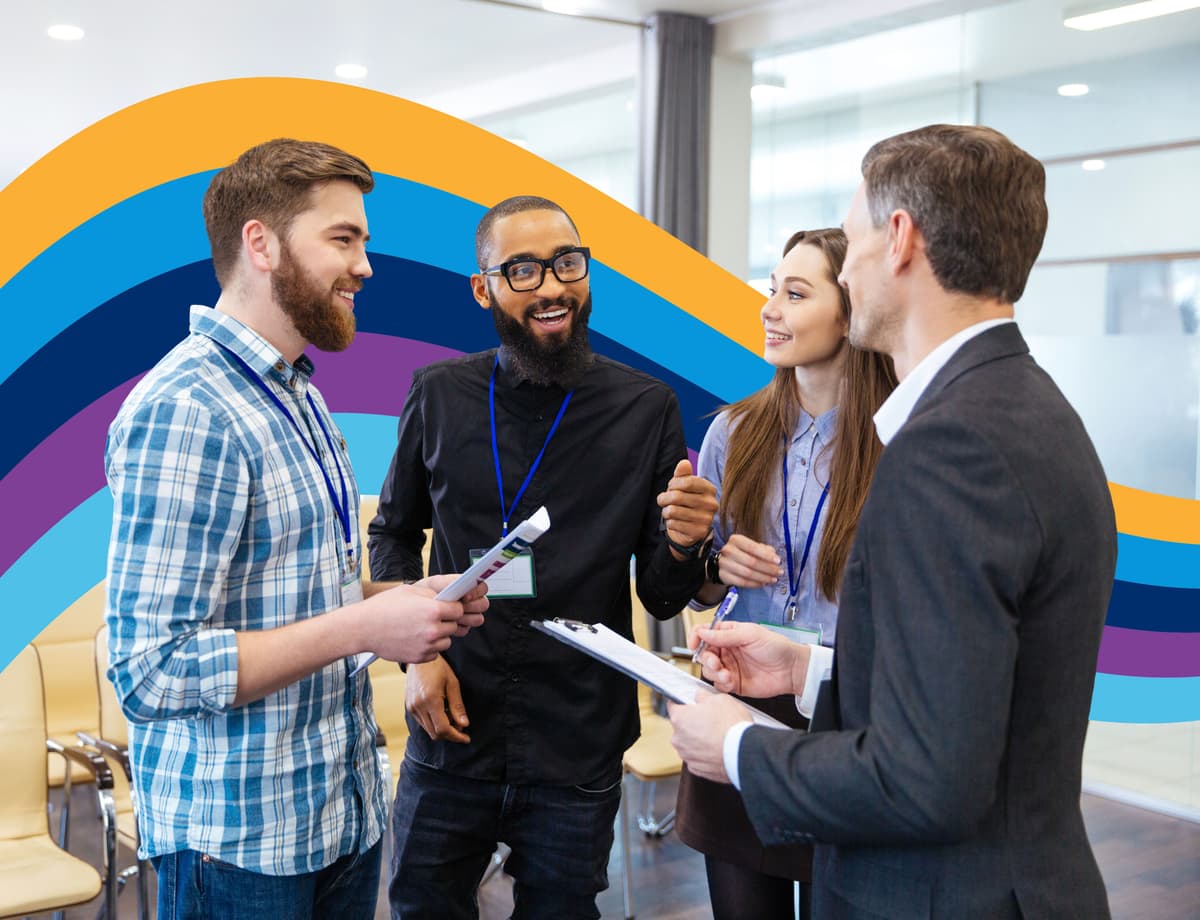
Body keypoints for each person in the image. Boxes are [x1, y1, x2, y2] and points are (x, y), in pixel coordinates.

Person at [669, 124, 1117, 919]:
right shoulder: (1025, 406)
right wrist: (807, 672)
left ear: (901, 239)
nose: (849, 262)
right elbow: (972, 699)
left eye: (853, 239)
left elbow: (927, 779)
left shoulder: (949, 447)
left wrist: (737, 746)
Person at [104, 138, 487, 919]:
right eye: (343, 239)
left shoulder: (297, 393)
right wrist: (362, 625)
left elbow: (298, 592)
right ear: (262, 244)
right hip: (239, 847)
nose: (366, 266)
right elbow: (150, 671)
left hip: (335, 818)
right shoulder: (189, 408)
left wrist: (404, 600)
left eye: (364, 242)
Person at [367, 194, 719, 919]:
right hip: (452, 718)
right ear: (484, 288)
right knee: (422, 906)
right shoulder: (438, 393)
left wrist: (684, 544)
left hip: (577, 735)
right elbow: (394, 535)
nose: (552, 286)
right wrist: (419, 658)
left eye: (567, 263)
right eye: (522, 270)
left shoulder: (645, 407)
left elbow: (658, 595)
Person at [676, 228, 895, 919]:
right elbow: (701, 585)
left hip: (846, 716)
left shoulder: (902, 444)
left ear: (851, 310)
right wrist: (708, 558)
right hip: (742, 700)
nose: (770, 309)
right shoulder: (733, 433)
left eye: (795, 293)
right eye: (771, 290)